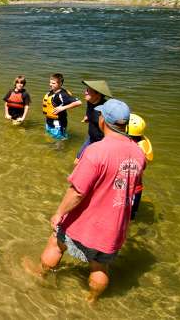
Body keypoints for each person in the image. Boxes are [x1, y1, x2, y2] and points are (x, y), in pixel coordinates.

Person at [23, 99, 146, 303]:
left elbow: (77, 192)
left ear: (104, 122)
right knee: (100, 265)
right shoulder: (138, 153)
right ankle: (92, 299)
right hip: (115, 225)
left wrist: (59, 213)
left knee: (56, 243)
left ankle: (40, 274)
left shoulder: (96, 151)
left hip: (86, 221)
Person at [74, 80, 112, 164]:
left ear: (98, 94)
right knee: (77, 161)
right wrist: (88, 117)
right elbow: (91, 113)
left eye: (88, 90)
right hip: (91, 138)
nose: (85, 92)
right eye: (85, 89)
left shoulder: (106, 109)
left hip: (101, 143)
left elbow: (114, 129)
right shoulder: (90, 101)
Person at [127, 113, 153, 219]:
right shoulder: (143, 146)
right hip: (137, 189)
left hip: (123, 189)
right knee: (131, 216)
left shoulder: (127, 147)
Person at [41, 73, 82, 140]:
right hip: (49, 121)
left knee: (59, 140)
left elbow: (78, 102)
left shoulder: (62, 95)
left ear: (60, 83)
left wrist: (63, 108)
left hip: (58, 123)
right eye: (50, 82)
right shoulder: (52, 92)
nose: (50, 85)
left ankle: (61, 149)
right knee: (51, 137)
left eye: (53, 83)